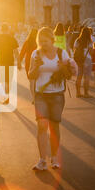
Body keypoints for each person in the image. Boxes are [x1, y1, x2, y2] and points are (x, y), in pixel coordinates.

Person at [28, 27, 76, 171]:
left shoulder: (62, 53)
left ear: (52, 40)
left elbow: (69, 75)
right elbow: (31, 75)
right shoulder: (36, 54)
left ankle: (54, 157)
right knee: (42, 125)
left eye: (46, 41)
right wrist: (36, 67)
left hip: (56, 95)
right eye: (41, 41)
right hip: (41, 94)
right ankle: (42, 160)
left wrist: (62, 68)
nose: (43, 44)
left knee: (54, 127)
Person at [0, 23, 19, 95]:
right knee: (8, 80)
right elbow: (16, 52)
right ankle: (6, 94)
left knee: (0, 79)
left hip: (0, 61)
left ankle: (2, 94)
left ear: (0, 30)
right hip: (10, 61)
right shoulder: (12, 38)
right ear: (8, 30)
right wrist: (18, 62)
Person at [74, 27, 93, 98]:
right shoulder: (89, 41)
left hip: (79, 60)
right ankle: (86, 93)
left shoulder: (77, 40)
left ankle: (78, 93)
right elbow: (91, 52)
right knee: (86, 77)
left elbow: (75, 50)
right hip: (87, 59)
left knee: (79, 77)